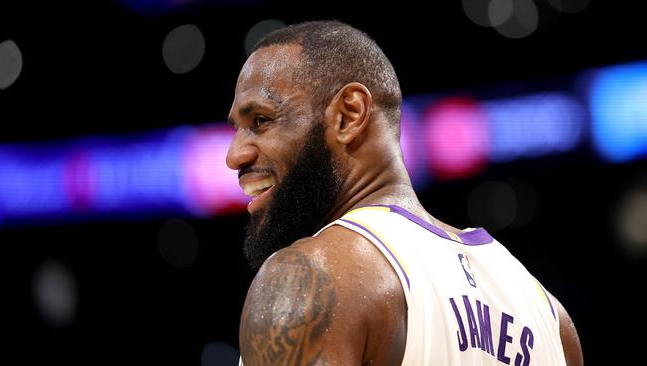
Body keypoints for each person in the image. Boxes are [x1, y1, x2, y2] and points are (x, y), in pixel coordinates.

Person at [226, 20, 583, 366]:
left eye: (260, 121)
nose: (234, 156)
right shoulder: (550, 319)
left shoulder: (309, 280)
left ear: (349, 115)